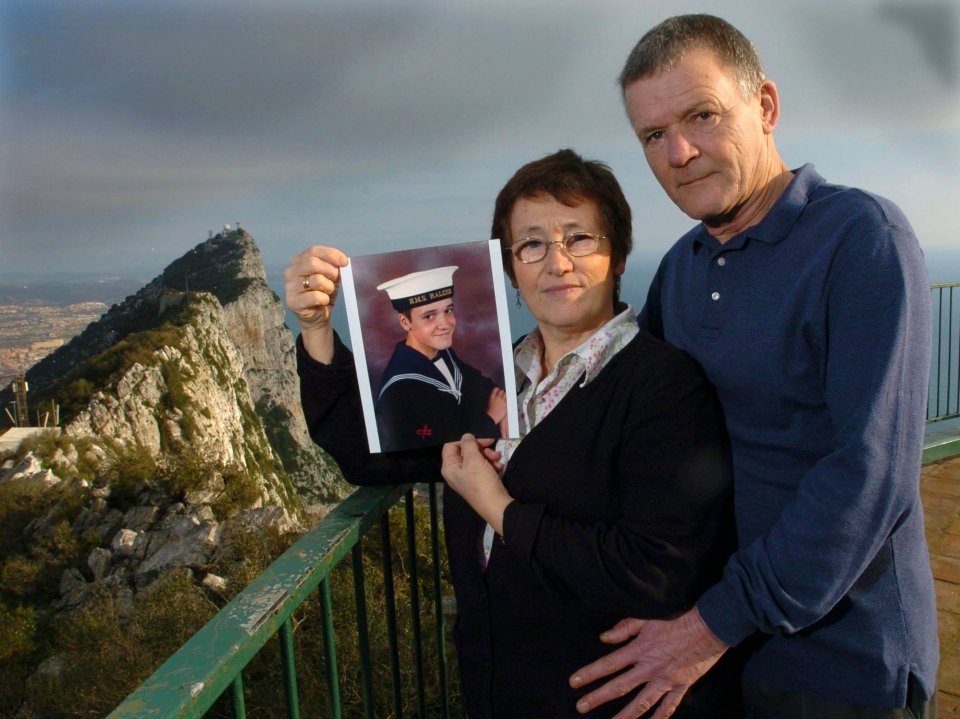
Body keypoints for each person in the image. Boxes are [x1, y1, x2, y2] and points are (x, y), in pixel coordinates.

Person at [285, 148, 743, 717]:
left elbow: (655, 572)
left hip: (608, 701)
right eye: (532, 245)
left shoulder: (663, 385)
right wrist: (315, 327)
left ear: (618, 255)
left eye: (580, 239)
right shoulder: (495, 380)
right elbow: (367, 457)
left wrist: (497, 506)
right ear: (510, 269)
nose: (557, 263)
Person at [570, 14, 938, 719]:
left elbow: (867, 474)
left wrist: (712, 623)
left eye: (702, 115)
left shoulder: (861, 238)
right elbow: (624, 411)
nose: (678, 151)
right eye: (653, 135)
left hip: (841, 663)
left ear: (765, 106)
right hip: (728, 647)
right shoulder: (681, 268)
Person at [372, 265, 506, 451]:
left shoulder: (444, 353)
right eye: (429, 316)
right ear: (405, 322)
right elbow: (445, 446)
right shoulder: (401, 390)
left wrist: (506, 414)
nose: (444, 324)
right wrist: (492, 416)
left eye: (448, 310)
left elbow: (485, 387)